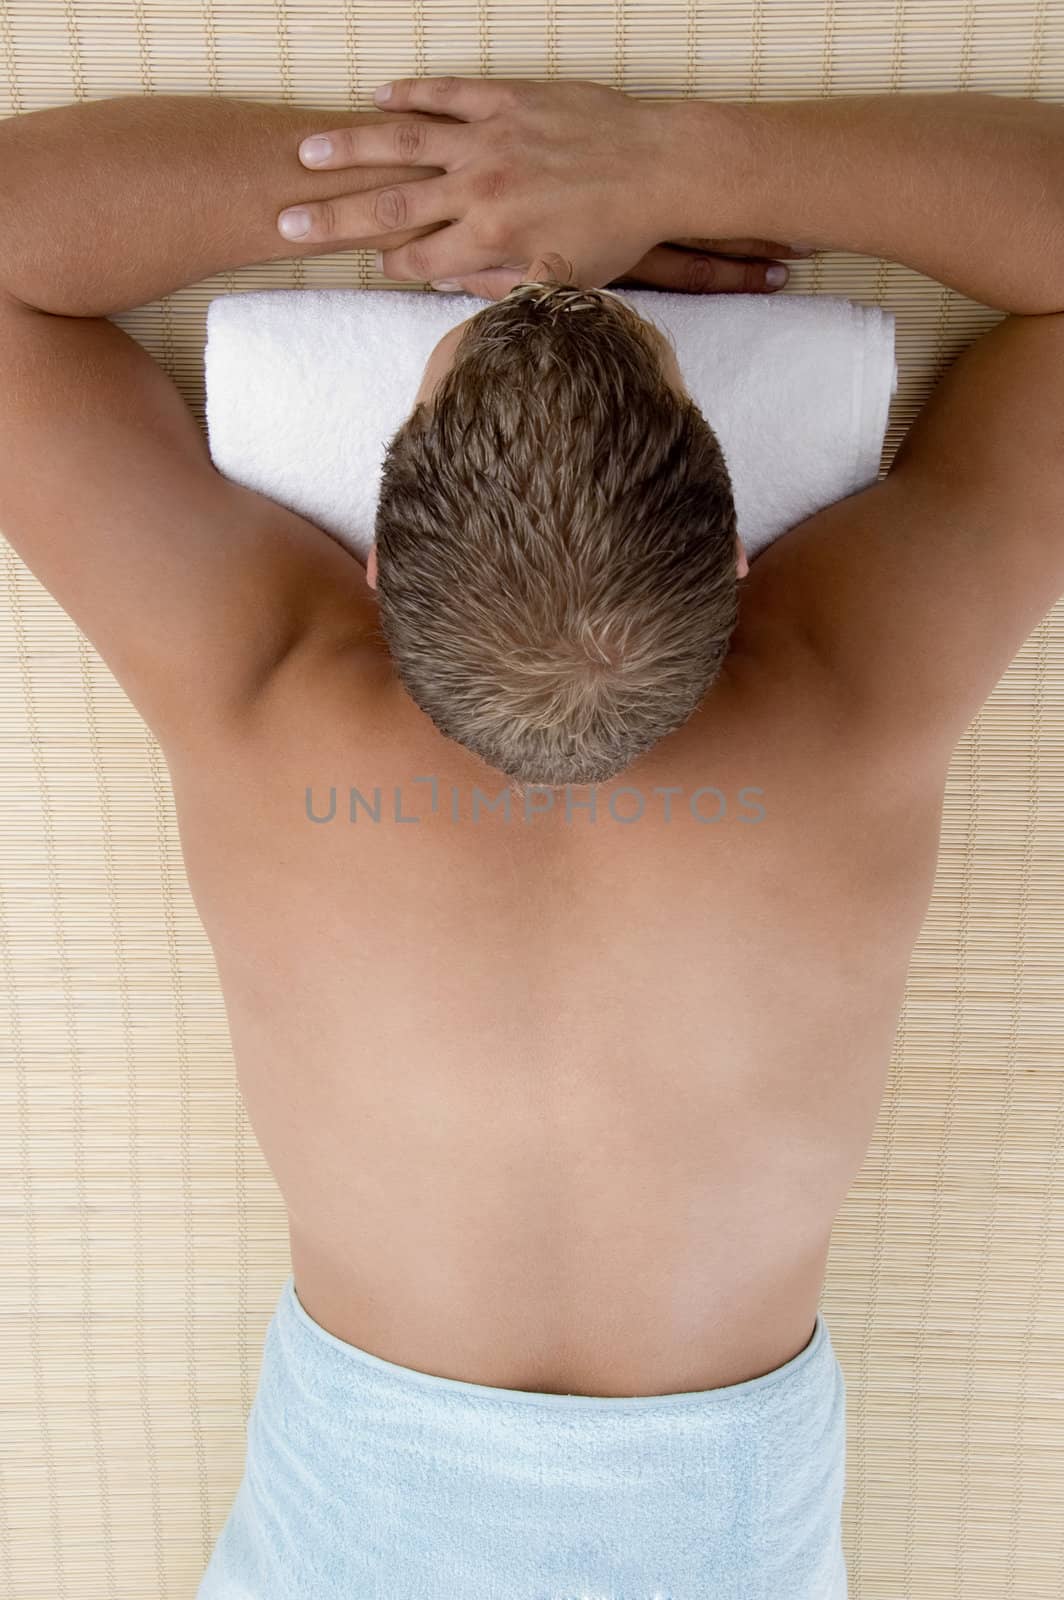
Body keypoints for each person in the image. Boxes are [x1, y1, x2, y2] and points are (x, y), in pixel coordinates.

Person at [0, 79, 1061, 1598]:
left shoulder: (268, 695)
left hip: (357, 1528)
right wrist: (698, 161)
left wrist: (434, 198)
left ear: (368, 569)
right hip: (721, 1535)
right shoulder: (846, 698)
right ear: (745, 560)